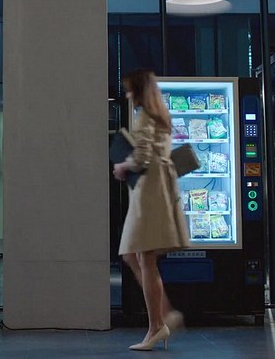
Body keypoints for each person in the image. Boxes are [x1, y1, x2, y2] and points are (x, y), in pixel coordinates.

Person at [113, 69, 190, 352]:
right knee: (134, 255)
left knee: (142, 257)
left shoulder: (146, 116)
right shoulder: (161, 115)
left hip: (149, 192)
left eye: (129, 89)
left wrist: (123, 166)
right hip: (156, 189)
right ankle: (164, 316)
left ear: (139, 90)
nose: (127, 95)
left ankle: (157, 325)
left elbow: (143, 156)